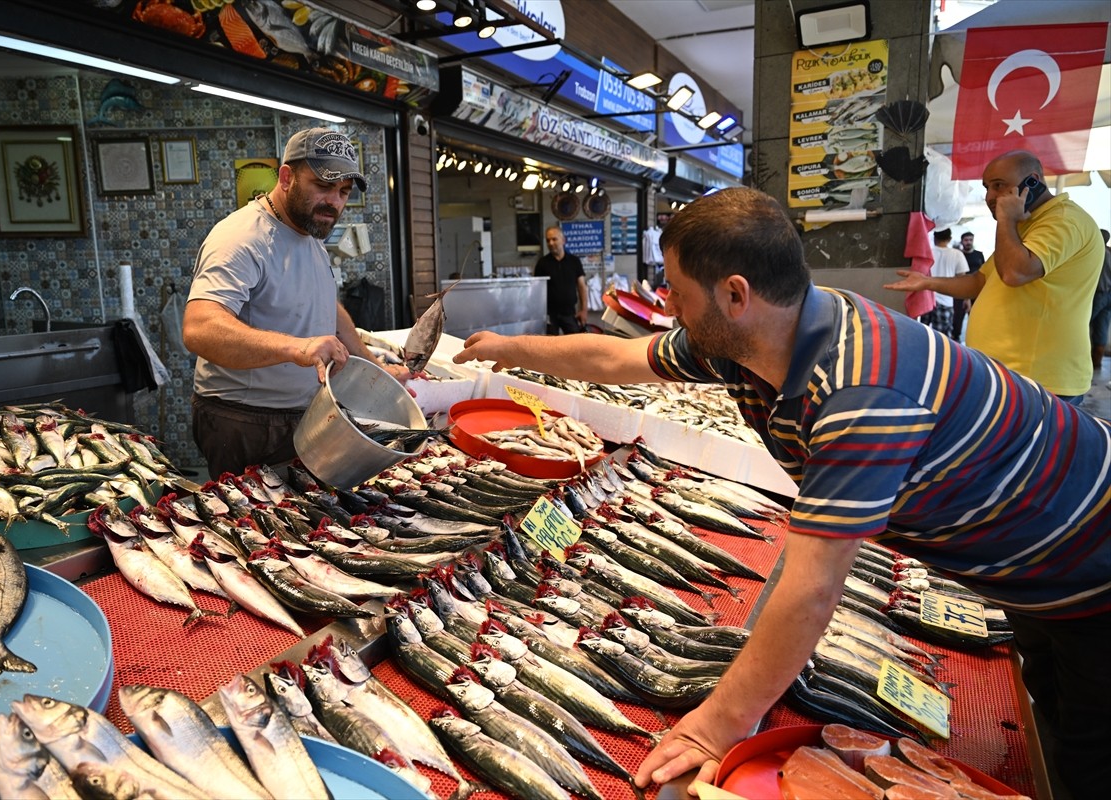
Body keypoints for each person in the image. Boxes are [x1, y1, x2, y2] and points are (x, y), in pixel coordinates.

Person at [454, 187, 1111, 799]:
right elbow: (617, 360)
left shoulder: (861, 390)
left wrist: (719, 723)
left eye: (678, 291)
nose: (666, 302)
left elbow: (813, 589)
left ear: (735, 294)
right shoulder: (749, 341)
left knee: (1089, 755)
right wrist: (511, 348)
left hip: (1091, 563)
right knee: (1050, 711)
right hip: (1027, 568)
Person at [183, 127, 410, 477]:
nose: (334, 201)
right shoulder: (241, 238)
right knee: (255, 526)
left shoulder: (309, 234)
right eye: (322, 186)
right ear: (287, 177)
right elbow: (200, 329)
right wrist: (297, 348)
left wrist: (374, 369)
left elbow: (326, 308)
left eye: (343, 191)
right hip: (245, 420)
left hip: (303, 413)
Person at [886, 150, 1104, 403]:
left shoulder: (1063, 221)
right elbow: (981, 281)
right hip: (1008, 376)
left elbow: (1015, 273)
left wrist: (1006, 220)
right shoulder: (1026, 227)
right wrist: (927, 282)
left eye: (999, 185)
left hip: (1038, 381)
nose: (990, 196)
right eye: (987, 187)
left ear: (1032, 181)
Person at [535, 225, 587, 334]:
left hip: (569, 314)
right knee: (549, 348)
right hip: (549, 315)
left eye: (554, 239)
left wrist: (584, 310)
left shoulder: (574, 261)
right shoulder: (542, 263)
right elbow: (537, 290)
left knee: (575, 346)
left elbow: (582, 286)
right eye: (548, 240)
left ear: (563, 240)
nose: (551, 243)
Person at [919, 228, 967, 338]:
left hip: (926, 299)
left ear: (934, 237)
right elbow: (962, 279)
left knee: (922, 333)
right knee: (942, 337)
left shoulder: (927, 252)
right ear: (950, 239)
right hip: (946, 300)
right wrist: (966, 299)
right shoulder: (957, 254)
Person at [953, 231, 984, 341]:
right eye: (966, 240)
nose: (968, 242)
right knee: (958, 318)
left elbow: (983, 270)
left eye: (970, 240)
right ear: (962, 241)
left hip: (977, 291)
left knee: (976, 317)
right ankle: (956, 339)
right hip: (961, 290)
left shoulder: (979, 254)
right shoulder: (958, 255)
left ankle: (977, 339)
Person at [1091, 229, 1111, 374]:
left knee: (1079, 326)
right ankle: (1096, 365)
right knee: (1101, 331)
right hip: (1109, 296)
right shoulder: (1109, 253)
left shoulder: (1097, 252)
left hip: (1097, 295)